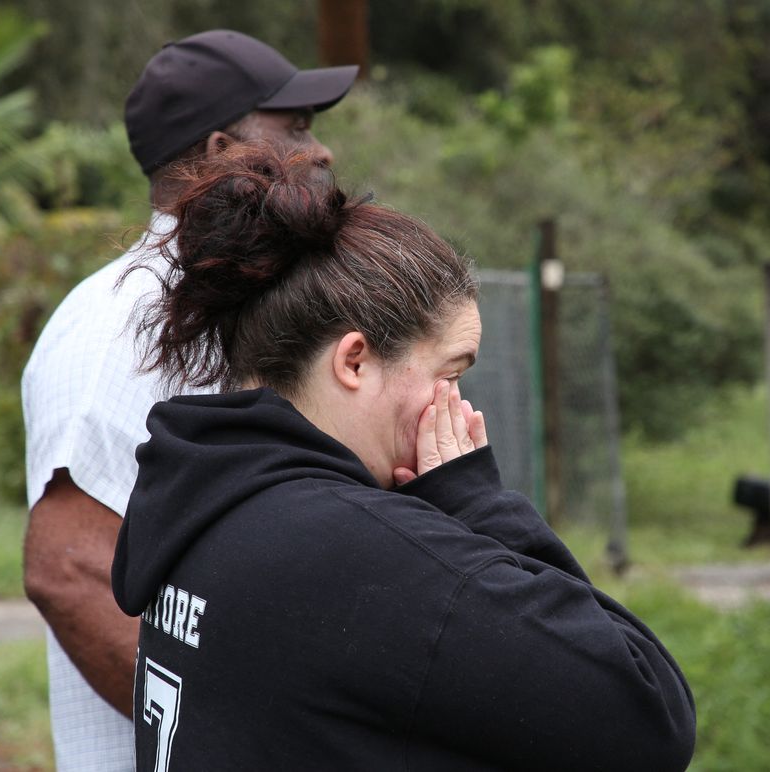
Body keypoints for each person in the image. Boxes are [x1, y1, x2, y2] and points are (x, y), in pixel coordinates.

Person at [111, 144, 697, 771]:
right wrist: (478, 504)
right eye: (450, 373)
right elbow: (647, 715)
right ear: (355, 361)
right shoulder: (354, 552)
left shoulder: (202, 504)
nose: (458, 407)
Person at [22, 30, 357, 771]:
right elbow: (66, 568)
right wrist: (222, 738)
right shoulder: (128, 321)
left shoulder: (227, 297)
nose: (322, 149)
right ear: (216, 151)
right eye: (295, 127)